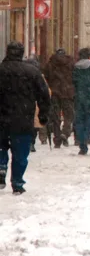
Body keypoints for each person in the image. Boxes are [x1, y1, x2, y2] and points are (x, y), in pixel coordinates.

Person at [0, 42, 50, 194]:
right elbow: (44, 94)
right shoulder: (31, 72)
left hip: (1, 118)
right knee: (20, 152)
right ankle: (17, 182)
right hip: (22, 118)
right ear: (21, 54)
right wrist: (43, 114)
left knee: (1, 147)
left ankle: (1, 166)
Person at [42, 48, 75, 148]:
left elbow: (45, 79)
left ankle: (57, 139)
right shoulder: (70, 63)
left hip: (54, 93)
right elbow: (74, 77)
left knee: (55, 117)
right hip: (67, 92)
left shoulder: (50, 64)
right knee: (68, 115)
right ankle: (65, 132)